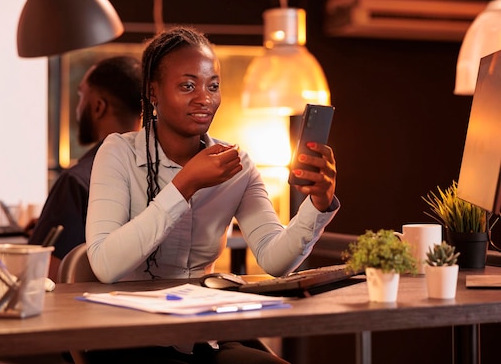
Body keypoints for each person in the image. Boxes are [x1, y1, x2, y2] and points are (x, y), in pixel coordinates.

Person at [85, 27, 339, 364]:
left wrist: (318, 204)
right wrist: (185, 185)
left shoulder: (238, 165)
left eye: (213, 86)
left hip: (204, 337)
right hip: (130, 339)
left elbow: (275, 261)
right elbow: (104, 265)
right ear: (154, 92)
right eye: (188, 86)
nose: (204, 98)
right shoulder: (118, 153)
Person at [28, 55, 142, 281]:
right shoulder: (159, 172)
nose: (78, 107)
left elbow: (41, 276)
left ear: (99, 106)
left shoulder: (76, 181)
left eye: (81, 95)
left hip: (83, 311)